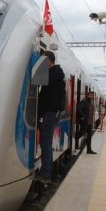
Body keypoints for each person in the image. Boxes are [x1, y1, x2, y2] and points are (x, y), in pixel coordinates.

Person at [35, 51, 66, 183]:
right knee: (45, 142)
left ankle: (46, 173)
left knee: (45, 142)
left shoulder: (54, 73)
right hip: (50, 112)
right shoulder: (56, 73)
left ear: (48, 61)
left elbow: (37, 81)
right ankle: (46, 171)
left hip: (49, 113)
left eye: (43, 61)